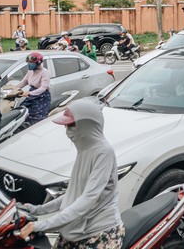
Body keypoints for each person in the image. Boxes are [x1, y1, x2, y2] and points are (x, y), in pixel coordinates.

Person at [19, 100, 124, 247]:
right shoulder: (84, 151)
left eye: (71, 125)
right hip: (75, 231)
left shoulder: (103, 152)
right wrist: (38, 210)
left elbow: (87, 199)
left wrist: (41, 225)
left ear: (88, 125)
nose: (67, 130)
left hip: (98, 233)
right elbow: (72, 195)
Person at [17, 53, 52, 125]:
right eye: (28, 62)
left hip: (42, 96)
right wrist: (15, 88)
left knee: (37, 118)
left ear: (38, 62)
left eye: (31, 63)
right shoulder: (30, 71)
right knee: (23, 110)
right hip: (32, 94)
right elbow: (24, 81)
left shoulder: (45, 72)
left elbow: (43, 88)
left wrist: (29, 93)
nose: (29, 64)